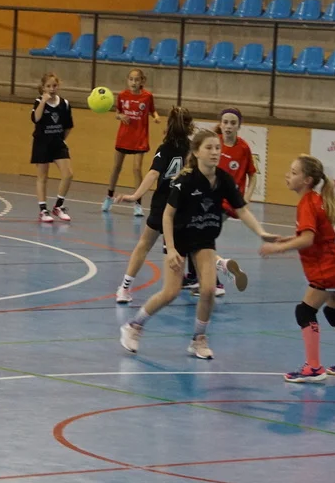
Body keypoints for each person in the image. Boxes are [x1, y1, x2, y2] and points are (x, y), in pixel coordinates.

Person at [119, 130, 275, 360]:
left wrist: (261, 232)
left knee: (209, 290)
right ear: (196, 152)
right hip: (179, 238)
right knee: (170, 292)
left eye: (217, 148)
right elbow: (167, 216)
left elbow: (241, 210)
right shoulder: (185, 181)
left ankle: (198, 339)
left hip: (204, 238)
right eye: (209, 148)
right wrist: (172, 249)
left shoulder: (223, 180)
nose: (215, 152)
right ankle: (134, 326)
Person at [260, 155, 335, 383]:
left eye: (294, 172)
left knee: (305, 312)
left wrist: (278, 248)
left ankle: (314, 367)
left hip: (330, 265)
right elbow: (316, 235)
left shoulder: (308, 202)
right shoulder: (318, 199)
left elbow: (308, 239)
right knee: (334, 311)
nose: (288, 175)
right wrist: (289, 239)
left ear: (307, 180)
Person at [113, 105, 193, 305]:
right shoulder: (193, 149)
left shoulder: (164, 149)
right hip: (181, 205)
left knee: (144, 245)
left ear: (169, 125)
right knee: (190, 245)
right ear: (189, 126)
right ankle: (210, 273)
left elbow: (153, 173)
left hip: (163, 203)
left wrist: (135, 195)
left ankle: (124, 288)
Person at [184, 107, 257, 297]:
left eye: (233, 123)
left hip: (225, 203)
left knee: (199, 239)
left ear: (239, 126)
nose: (228, 126)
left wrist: (246, 198)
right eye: (225, 122)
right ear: (221, 124)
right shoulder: (214, 143)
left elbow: (252, 175)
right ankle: (195, 276)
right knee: (193, 235)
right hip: (207, 198)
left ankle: (216, 277)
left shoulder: (243, 148)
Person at [102, 68, 159, 217]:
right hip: (124, 137)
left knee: (137, 169)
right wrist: (121, 116)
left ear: (142, 81)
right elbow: (117, 113)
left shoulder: (147, 96)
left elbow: (152, 110)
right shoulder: (122, 95)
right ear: (127, 80)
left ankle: (138, 204)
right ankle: (109, 196)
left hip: (140, 138)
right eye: (131, 79)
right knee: (116, 167)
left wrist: (156, 117)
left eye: (137, 80)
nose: (134, 82)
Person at [31, 73, 74, 223]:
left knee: (68, 174)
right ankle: (43, 210)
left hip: (57, 143)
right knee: (42, 177)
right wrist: (43, 101)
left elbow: (68, 126)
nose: (51, 89)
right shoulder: (39, 102)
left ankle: (58, 206)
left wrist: (61, 139)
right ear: (43, 88)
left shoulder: (64, 104)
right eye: (48, 86)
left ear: (58, 86)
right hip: (42, 143)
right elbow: (36, 118)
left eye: (54, 86)